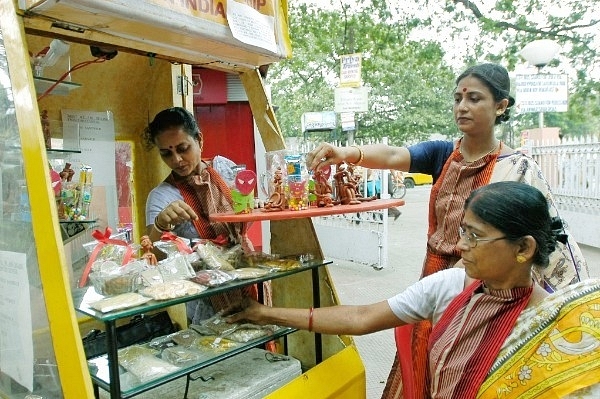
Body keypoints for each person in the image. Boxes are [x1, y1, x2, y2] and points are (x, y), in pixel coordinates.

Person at [305, 63, 588, 398]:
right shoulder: (443, 154)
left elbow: (548, 240)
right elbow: (396, 154)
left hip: (482, 288)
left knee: (467, 371)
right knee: (422, 362)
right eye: (458, 98)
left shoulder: (518, 169)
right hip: (437, 277)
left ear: (501, 106)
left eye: (474, 98)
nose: (462, 106)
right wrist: (347, 154)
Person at [227, 182, 600, 399]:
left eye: (475, 236)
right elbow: (361, 317)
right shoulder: (453, 287)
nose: (462, 246)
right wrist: (264, 314)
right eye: (462, 232)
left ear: (524, 248)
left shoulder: (554, 332)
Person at [142, 107, 256, 324]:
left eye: (183, 148)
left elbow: (247, 213)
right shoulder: (161, 196)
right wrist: (160, 224)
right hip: (205, 299)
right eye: (166, 153)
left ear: (199, 140)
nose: (176, 160)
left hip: (247, 276)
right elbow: (152, 255)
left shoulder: (225, 169)